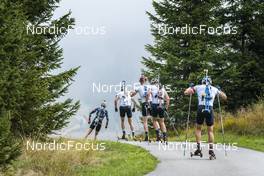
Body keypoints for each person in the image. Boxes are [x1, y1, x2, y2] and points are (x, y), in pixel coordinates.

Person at [184, 76, 227, 158]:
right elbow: (225, 97)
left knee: (198, 128)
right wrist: (219, 90)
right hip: (209, 109)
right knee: (210, 130)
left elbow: (186, 92)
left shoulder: (198, 87)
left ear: (202, 81)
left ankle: (199, 149)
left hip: (201, 108)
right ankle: (211, 151)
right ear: (210, 82)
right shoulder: (214, 89)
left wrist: (191, 87)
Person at [131, 75, 154, 141]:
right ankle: (159, 134)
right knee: (154, 120)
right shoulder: (149, 86)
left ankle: (147, 136)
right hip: (151, 103)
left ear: (140, 81)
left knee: (145, 121)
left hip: (144, 103)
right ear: (145, 80)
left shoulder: (139, 87)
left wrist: (131, 92)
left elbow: (132, 95)